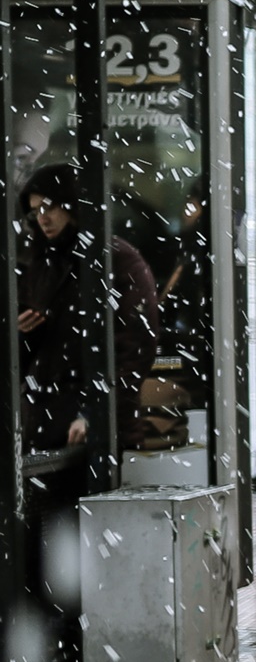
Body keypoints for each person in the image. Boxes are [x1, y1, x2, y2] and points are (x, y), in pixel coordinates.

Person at [17, 163, 160, 455]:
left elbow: (134, 346)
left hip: (97, 429)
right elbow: (32, 353)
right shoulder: (42, 264)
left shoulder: (115, 259)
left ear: (71, 204)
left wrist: (95, 412)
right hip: (48, 422)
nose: (43, 218)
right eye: (35, 212)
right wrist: (24, 332)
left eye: (49, 207)